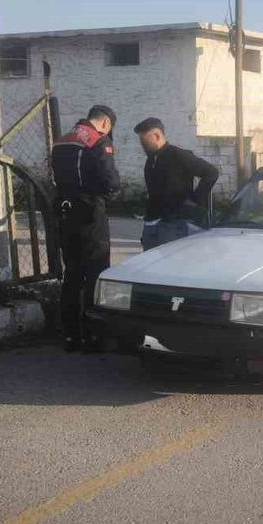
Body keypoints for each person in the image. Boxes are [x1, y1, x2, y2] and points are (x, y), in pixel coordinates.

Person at [51, 105, 120, 352]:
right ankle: (93, 337)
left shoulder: (62, 140)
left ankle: (71, 336)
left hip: (66, 213)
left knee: (72, 275)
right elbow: (111, 182)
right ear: (106, 123)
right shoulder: (98, 141)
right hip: (90, 214)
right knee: (95, 274)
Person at [134, 117, 219, 250]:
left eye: (144, 141)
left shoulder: (179, 156)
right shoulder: (150, 160)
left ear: (156, 136)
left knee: (169, 259)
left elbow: (211, 172)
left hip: (174, 223)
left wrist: (195, 199)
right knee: (150, 260)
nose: (142, 145)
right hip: (152, 223)